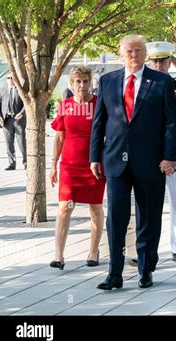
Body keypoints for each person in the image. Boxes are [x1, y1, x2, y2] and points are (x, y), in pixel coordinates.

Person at [90, 35, 176, 290]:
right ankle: (114, 273)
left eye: (139, 50)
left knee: (148, 216)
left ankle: (146, 268)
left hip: (151, 162)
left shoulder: (161, 82)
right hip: (115, 160)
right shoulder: (107, 81)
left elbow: (171, 122)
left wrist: (168, 156)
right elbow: (99, 122)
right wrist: (94, 157)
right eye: (129, 51)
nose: (134, 55)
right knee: (115, 217)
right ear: (121, 54)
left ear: (145, 54)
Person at [49, 65, 105, 270]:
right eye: (77, 82)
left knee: (95, 207)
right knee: (65, 207)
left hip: (94, 164)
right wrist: (53, 165)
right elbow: (59, 137)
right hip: (69, 165)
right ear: (71, 84)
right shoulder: (65, 105)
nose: (82, 85)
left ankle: (93, 251)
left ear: (91, 83)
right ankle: (58, 255)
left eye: (85, 81)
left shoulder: (100, 104)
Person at [142, 40, 176, 263]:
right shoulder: (141, 86)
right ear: (149, 62)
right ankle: (148, 249)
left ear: (169, 62)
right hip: (149, 153)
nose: (159, 65)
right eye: (155, 61)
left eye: (163, 61)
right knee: (148, 204)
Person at [0, 74, 26, 170]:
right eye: (8, 78)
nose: (10, 79)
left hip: (19, 120)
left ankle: (26, 163)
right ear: (6, 80)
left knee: (21, 142)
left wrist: (22, 113)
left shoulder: (21, 90)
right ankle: (12, 164)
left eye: (12, 77)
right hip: (6, 121)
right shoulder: (2, 90)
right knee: (9, 144)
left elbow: (26, 104)